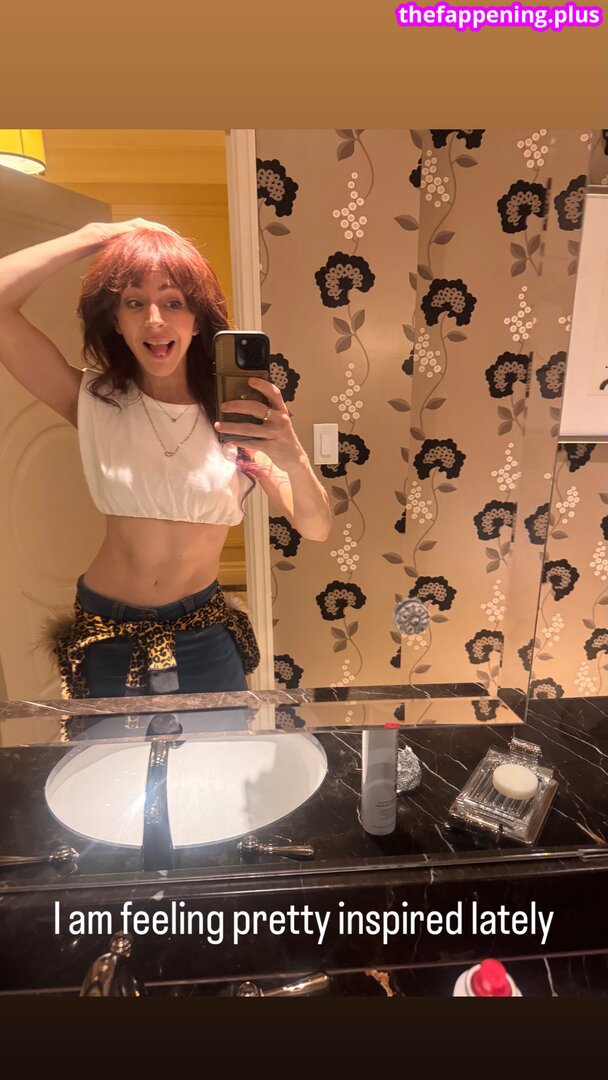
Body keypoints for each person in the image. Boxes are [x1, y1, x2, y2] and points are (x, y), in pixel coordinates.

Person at [0, 219, 331, 698]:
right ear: (116, 320)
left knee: (222, 747)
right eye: (135, 302)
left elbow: (316, 527)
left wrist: (294, 458)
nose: (155, 319)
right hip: (107, 631)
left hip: (204, 633)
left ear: (197, 320)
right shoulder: (94, 401)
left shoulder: (239, 419)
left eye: (173, 302)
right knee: (105, 748)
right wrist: (97, 234)